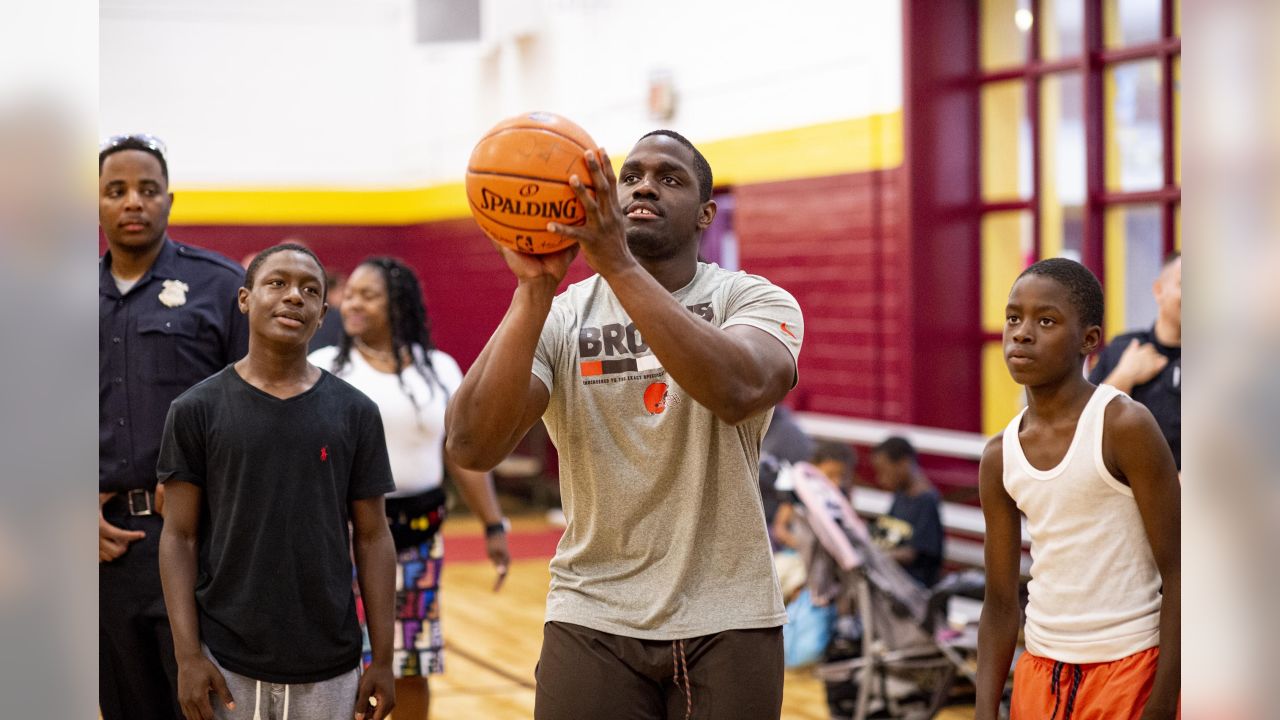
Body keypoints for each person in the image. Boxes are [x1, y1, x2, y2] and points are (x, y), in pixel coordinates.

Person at [446, 130, 803, 719]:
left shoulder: (752, 300)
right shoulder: (562, 315)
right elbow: (471, 444)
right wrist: (533, 290)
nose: (644, 186)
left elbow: (737, 390)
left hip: (728, 614)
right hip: (592, 612)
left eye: (669, 178)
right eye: (632, 174)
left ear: (705, 215)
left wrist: (616, 264)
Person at [157, 244, 398, 720]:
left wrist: (385, 659)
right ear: (244, 299)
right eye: (277, 283)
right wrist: (188, 656)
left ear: (323, 312)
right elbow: (178, 536)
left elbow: (373, 537)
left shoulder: (356, 413)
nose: (294, 297)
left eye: (310, 290)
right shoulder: (194, 410)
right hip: (226, 661)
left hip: (330, 661)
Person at [975, 258, 1180, 720]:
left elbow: (1182, 570)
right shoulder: (999, 455)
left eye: (1045, 321)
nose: (1022, 333)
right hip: (1040, 669)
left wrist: (1163, 701)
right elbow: (1002, 603)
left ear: (1089, 340)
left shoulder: (1123, 425)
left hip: (1130, 666)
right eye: (1014, 318)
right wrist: (985, 709)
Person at [308, 256, 512, 719]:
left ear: (397, 305)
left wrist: (494, 524)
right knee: (350, 666)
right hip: (344, 543)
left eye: (368, 294)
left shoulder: (438, 369)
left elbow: (462, 456)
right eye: (350, 293)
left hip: (420, 541)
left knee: (413, 665)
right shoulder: (323, 369)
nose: (351, 303)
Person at [99, 134, 248, 720]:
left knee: (206, 706)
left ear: (170, 199)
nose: (133, 201)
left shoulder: (218, 284)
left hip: (198, 541)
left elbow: (253, 406)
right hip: (100, 551)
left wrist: (204, 484)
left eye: (147, 189)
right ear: (99, 204)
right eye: (116, 190)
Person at [1089, 251, 1181, 470]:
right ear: (1159, 290)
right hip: (1130, 496)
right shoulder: (1124, 350)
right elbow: (1084, 429)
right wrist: (1124, 376)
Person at [868, 436, 944, 588]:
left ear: (904, 463)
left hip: (911, 589)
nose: (880, 479)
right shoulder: (900, 495)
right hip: (891, 580)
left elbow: (915, 552)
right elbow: (885, 531)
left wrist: (878, 557)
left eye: (884, 471)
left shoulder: (926, 502)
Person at [772, 440, 856, 552]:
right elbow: (780, 529)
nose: (836, 482)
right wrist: (801, 546)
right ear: (813, 468)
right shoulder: (799, 493)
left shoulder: (842, 496)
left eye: (842, 476)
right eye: (830, 475)